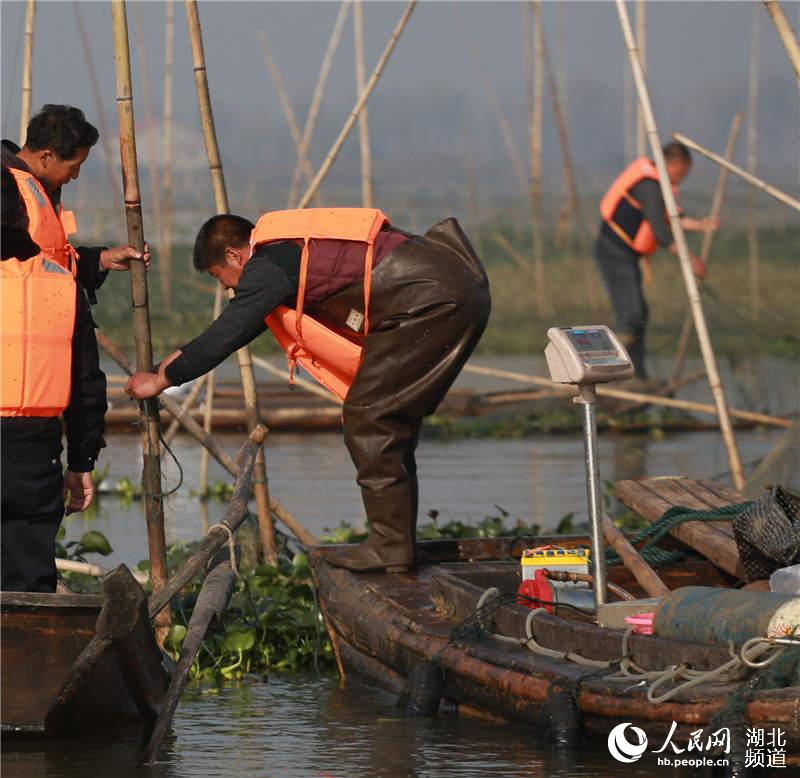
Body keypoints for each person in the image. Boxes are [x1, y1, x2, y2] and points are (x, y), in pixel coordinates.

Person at [125, 208, 491, 573]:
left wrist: (160, 381)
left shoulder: (267, 265)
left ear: (235, 255)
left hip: (431, 299)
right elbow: (233, 329)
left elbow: (227, 332)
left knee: (369, 416)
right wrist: (164, 369)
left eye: (219, 275)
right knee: (385, 416)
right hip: (448, 285)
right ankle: (397, 544)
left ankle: (391, 546)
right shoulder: (285, 254)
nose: (225, 287)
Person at [1, 165, 106, 592]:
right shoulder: (64, 287)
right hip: (36, 457)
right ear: (26, 218)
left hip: (33, 450)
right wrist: (81, 464)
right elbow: (87, 388)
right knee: (29, 583)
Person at [2, 104, 150, 304]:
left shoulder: (40, 189)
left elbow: (48, 261)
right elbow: (21, 265)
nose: (76, 176)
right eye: (74, 167)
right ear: (46, 157)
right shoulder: (6, 187)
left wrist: (103, 259)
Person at [594, 141, 718, 380]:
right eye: (682, 173)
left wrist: (702, 225)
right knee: (631, 315)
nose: (682, 178)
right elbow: (661, 233)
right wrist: (691, 261)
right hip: (613, 253)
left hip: (628, 256)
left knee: (640, 315)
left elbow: (676, 218)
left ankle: (637, 375)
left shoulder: (660, 187)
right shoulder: (649, 187)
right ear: (673, 165)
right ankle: (607, 373)